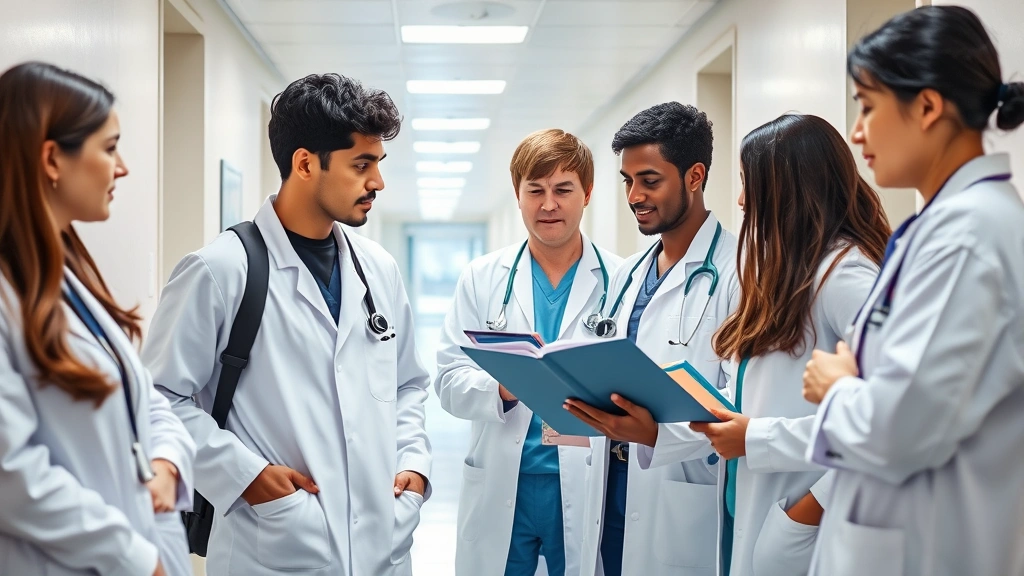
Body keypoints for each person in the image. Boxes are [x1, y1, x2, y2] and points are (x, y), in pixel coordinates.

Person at [142, 73, 432, 576]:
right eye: (361, 165)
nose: (377, 182)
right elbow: (157, 400)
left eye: (378, 164)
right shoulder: (220, 270)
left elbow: (409, 383)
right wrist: (246, 476)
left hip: (382, 544)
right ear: (304, 163)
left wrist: (414, 466)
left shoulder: (378, 269)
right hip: (275, 544)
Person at [800, 6, 1024, 576]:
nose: (857, 132)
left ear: (926, 106)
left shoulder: (969, 236)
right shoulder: (947, 224)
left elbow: (899, 428)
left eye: (868, 107)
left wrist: (838, 386)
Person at [0, 62, 195, 576]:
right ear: (51, 159)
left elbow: (143, 395)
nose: (123, 167)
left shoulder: (67, 278)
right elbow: (10, 473)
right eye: (109, 148)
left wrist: (169, 462)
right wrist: (131, 557)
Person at [688, 113, 890, 576]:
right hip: (755, 509)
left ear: (788, 190)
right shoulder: (792, 270)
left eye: (748, 183)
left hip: (803, 523)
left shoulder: (847, 277)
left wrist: (804, 508)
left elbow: (888, 418)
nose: (740, 201)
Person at [435, 128, 622, 576]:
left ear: (588, 193)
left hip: (585, 476)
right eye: (534, 190)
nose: (548, 204)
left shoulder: (622, 280)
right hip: (506, 479)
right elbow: (446, 380)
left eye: (563, 189)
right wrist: (502, 386)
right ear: (518, 196)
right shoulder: (481, 279)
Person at [562, 102, 739, 576]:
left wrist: (659, 433)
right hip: (611, 487)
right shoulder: (629, 273)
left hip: (679, 489)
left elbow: (741, 396)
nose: (634, 195)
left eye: (650, 180)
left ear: (695, 176)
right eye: (627, 181)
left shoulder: (739, 272)